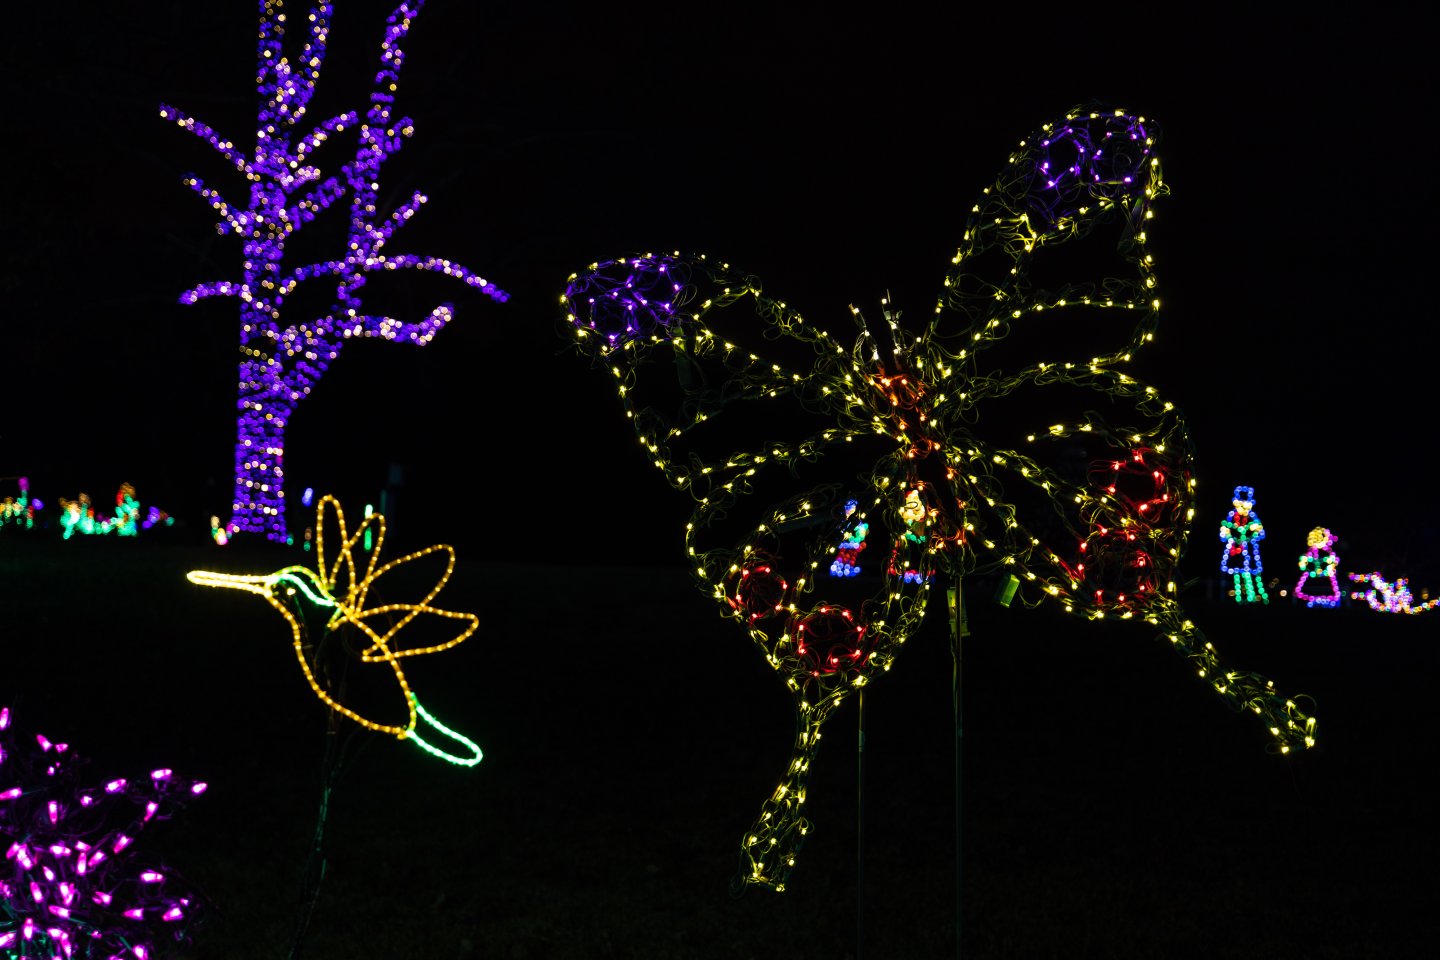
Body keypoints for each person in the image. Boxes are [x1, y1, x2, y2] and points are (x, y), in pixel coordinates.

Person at [1219, 485, 1268, 604]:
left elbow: (1260, 532)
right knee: (1236, 571)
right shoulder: (1232, 515)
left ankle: (1252, 596)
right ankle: (1239, 597)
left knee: (1248, 572)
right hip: (1235, 548)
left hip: (1249, 548)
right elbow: (1224, 529)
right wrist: (1227, 533)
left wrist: (1253, 532)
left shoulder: (1252, 516)